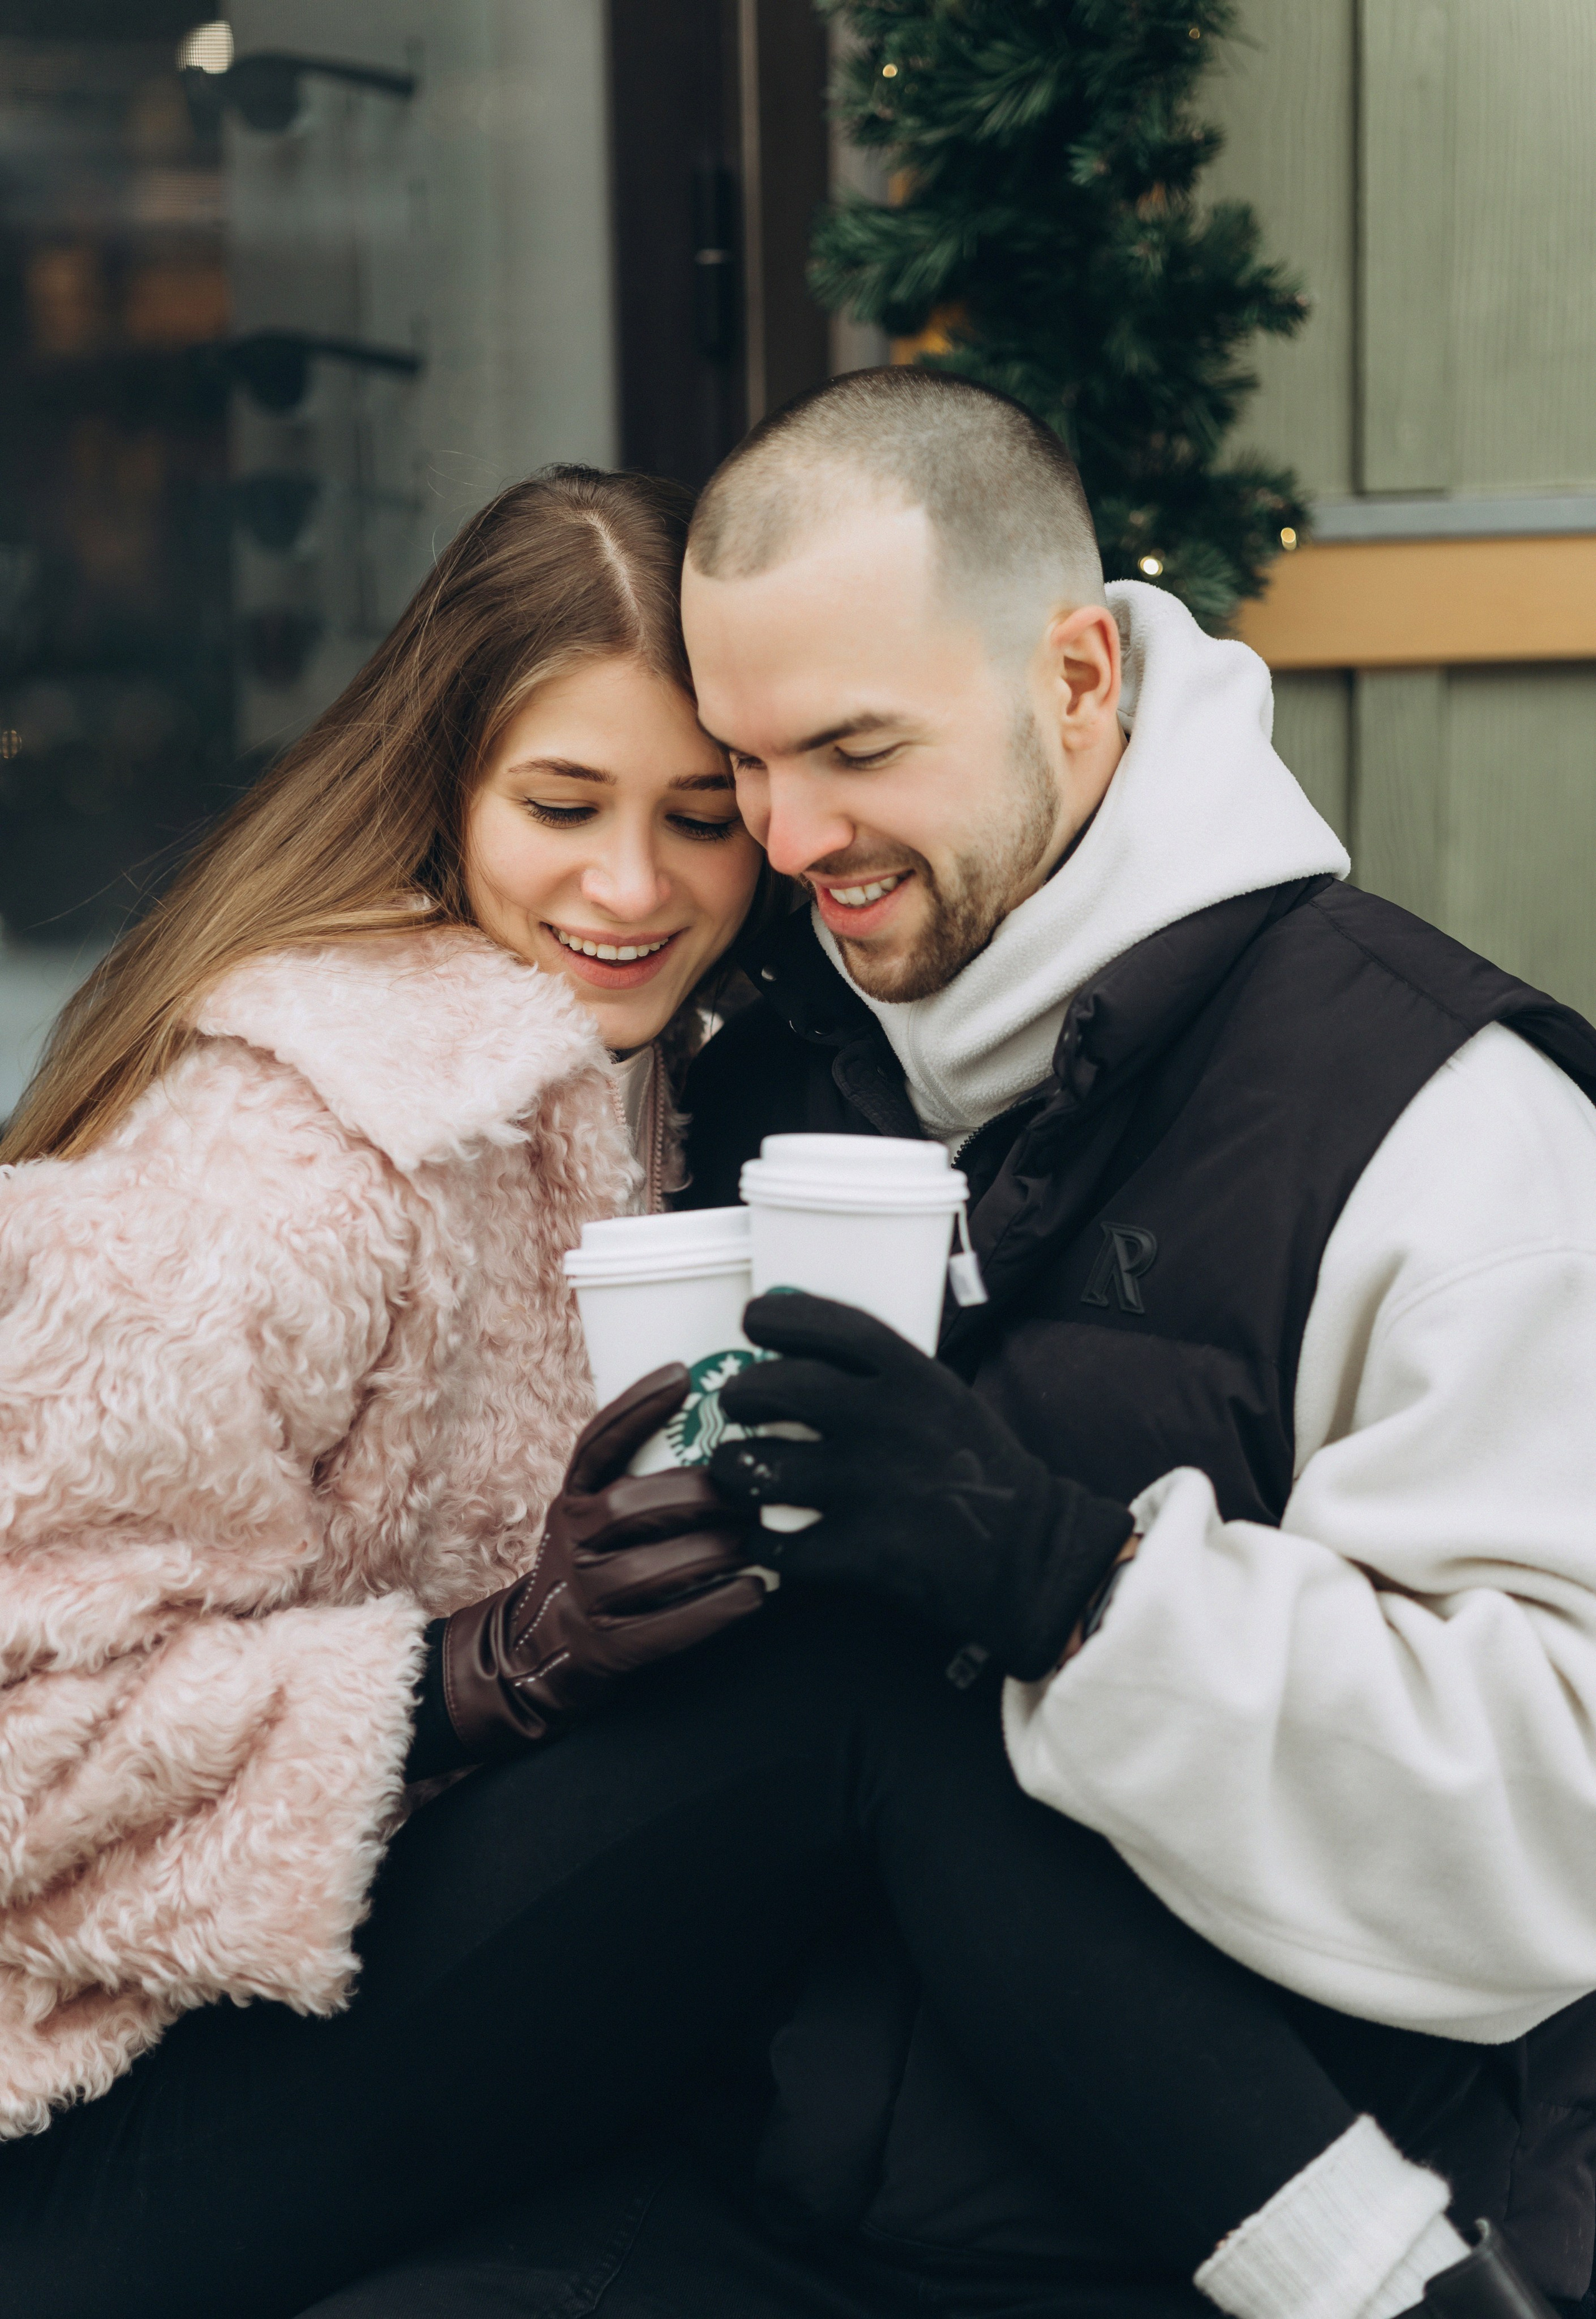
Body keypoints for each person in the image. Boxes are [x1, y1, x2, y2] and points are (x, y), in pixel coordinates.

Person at [666, 368, 1596, 2319]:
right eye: (742, 763)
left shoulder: (1447, 1122)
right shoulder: (765, 1064)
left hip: (1248, 2243)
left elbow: (1564, 1816)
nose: (789, 833)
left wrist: (1068, 1580)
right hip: (764, 2200)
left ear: (1078, 677)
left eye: (853, 748)